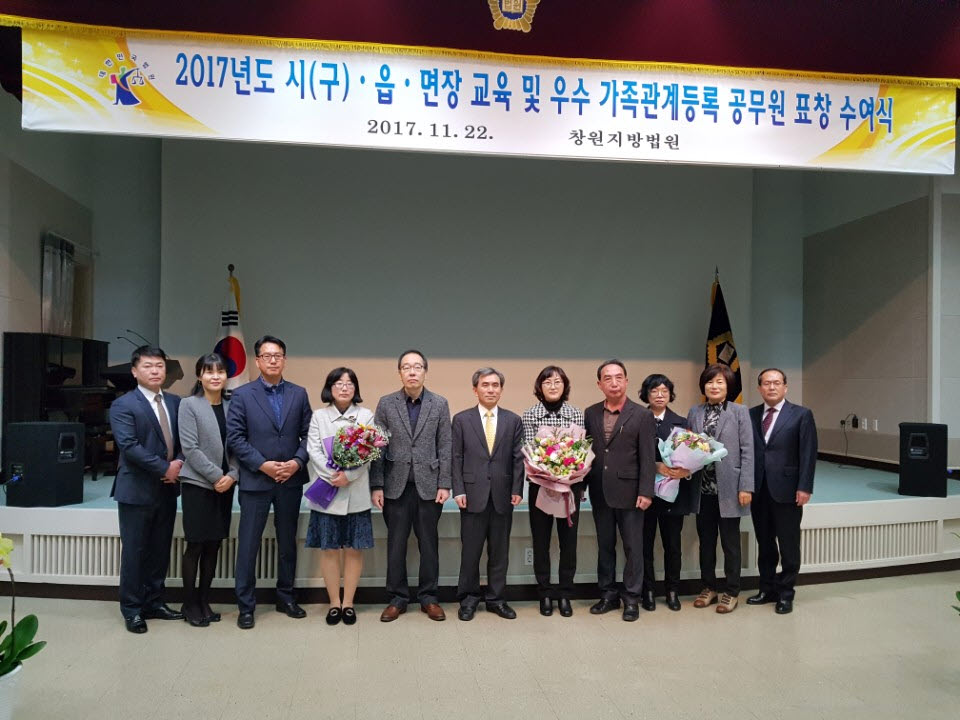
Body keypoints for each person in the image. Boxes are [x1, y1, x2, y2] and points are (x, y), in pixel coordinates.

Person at [227, 335, 312, 629]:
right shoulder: (242, 395)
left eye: (278, 355)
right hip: (255, 480)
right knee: (248, 545)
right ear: (257, 361)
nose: (273, 360)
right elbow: (235, 437)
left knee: (287, 543)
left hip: (290, 479)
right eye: (267, 356)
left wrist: (297, 461)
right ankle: (246, 606)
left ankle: (286, 597)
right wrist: (262, 464)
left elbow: (309, 434)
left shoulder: (299, 394)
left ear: (285, 360)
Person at [370, 350, 452, 622]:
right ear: (400, 373)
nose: (412, 371)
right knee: (396, 545)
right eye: (407, 367)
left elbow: (445, 445)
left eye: (417, 367)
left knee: (429, 545)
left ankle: (429, 597)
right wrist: (377, 485)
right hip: (395, 486)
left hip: (429, 487)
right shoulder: (386, 403)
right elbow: (378, 447)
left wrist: (445, 483)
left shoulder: (439, 403)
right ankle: (398, 598)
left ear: (425, 371)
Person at [109, 345, 184, 633]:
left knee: (160, 550)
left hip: (167, 489)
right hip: (136, 489)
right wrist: (164, 468)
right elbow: (129, 446)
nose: (155, 371)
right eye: (148, 366)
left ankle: (154, 602)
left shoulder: (176, 402)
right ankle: (132, 609)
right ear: (134, 371)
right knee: (135, 552)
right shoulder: (123, 404)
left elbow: (185, 441)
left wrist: (178, 463)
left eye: (159, 366)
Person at [584, 360, 655, 622]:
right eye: (608, 378)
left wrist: (646, 491)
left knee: (633, 548)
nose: (614, 383)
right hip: (600, 491)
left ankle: (632, 598)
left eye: (618, 377)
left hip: (631, 492)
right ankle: (608, 595)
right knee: (605, 546)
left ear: (626, 381)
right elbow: (585, 453)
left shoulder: (642, 415)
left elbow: (648, 457)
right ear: (599, 384)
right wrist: (580, 486)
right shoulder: (590, 413)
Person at [451, 368, 524, 621]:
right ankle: (468, 599)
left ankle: (496, 599)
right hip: (471, 495)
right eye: (485, 385)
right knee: (470, 552)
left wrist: (517, 489)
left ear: (501, 389)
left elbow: (518, 459)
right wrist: (458, 489)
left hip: (503, 496)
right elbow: (456, 458)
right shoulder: (462, 419)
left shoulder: (513, 420)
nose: (491, 389)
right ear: (475, 389)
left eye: (495, 385)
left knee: (499, 552)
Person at [305, 368, 376, 626]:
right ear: (330, 388)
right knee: (330, 550)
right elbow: (313, 450)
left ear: (355, 389)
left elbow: (369, 452)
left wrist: (350, 475)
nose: (344, 387)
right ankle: (334, 602)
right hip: (327, 491)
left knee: (354, 549)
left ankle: (349, 603)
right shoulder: (319, 416)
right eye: (338, 383)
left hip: (356, 492)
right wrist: (333, 475)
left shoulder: (366, 415)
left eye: (349, 383)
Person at [747, 368, 817, 615]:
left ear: (785, 387)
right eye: (766, 383)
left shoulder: (801, 415)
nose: (772, 387)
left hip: (788, 490)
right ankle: (767, 589)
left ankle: (786, 593)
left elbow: (808, 453)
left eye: (777, 383)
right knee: (765, 544)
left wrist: (804, 486)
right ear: (759, 388)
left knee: (788, 545)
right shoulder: (751, 414)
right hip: (759, 490)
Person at [177, 353, 239, 627]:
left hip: (226, 486)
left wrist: (233, 475)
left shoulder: (233, 405)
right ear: (199, 375)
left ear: (226, 376)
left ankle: (204, 601)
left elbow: (238, 444)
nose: (215, 376)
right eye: (209, 371)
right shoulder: (189, 404)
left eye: (220, 371)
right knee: (196, 545)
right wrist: (217, 477)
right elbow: (190, 448)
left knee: (214, 545)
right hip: (198, 485)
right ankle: (189, 604)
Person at [687, 363, 754, 614]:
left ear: (728, 386)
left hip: (730, 489)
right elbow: (687, 446)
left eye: (720, 382)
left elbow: (748, 451)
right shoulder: (695, 411)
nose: (714, 386)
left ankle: (732, 591)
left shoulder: (739, 411)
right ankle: (709, 587)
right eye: (709, 382)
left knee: (730, 543)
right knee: (706, 542)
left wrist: (746, 486)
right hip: (702, 489)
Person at [520, 366, 585, 617]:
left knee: (569, 543)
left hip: (570, 486)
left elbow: (580, 452)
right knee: (541, 542)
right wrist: (548, 472)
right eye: (547, 382)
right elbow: (530, 452)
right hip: (540, 486)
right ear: (540, 387)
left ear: (565, 385)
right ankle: (545, 593)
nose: (553, 386)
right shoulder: (530, 415)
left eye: (558, 381)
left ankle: (565, 594)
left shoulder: (575, 413)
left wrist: (568, 473)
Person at [639, 373, 692, 612]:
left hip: (673, 495)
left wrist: (684, 471)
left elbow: (692, 456)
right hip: (645, 493)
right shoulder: (637, 419)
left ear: (670, 394)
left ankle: (672, 591)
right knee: (644, 545)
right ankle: (648, 591)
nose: (660, 395)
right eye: (654, 391)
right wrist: (655, 466)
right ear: (646, 395)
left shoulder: (681, 422)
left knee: (673, 546)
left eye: (664, 391)